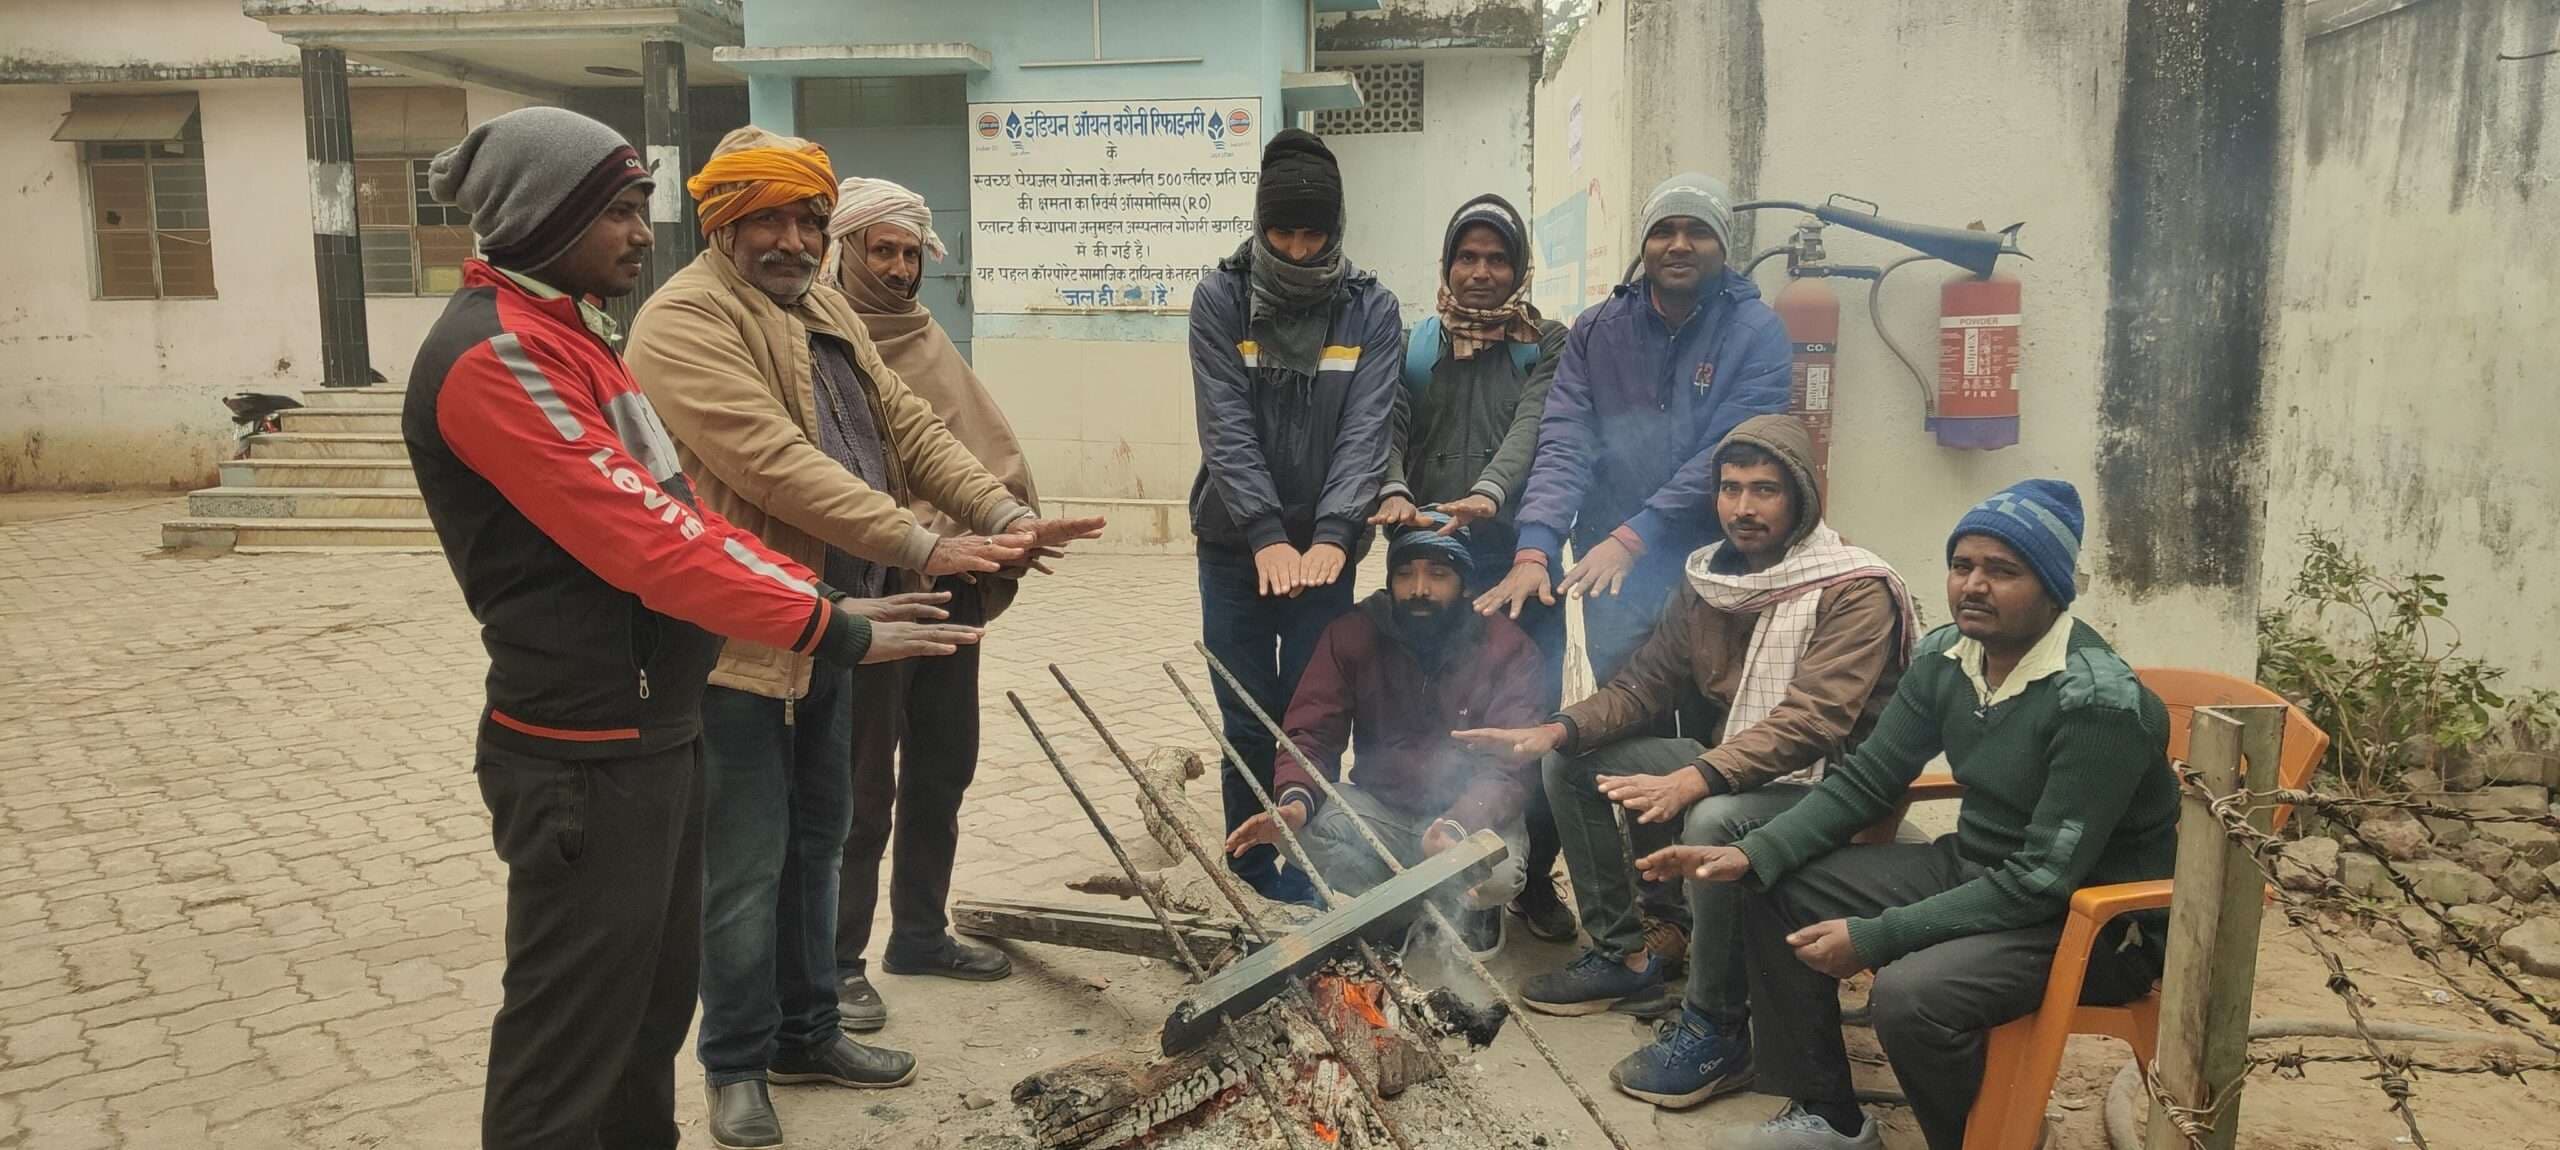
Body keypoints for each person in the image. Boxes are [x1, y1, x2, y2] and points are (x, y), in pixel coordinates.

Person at [405, 107, 978, 1150]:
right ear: (548, 214)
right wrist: (829, 623)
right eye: (619, 209)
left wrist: (833, 609)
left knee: (644, 1014)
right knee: (571, 1037)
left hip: (649, 727)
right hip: (584, 747)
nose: (640, 230)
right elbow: (652, 539)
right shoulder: (501, 356)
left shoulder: (576, 335)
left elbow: (682, 513)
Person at [623, 127, 1102, 1150]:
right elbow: (775, 465)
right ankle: (736, 1063)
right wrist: (924, 541)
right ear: (723, 221)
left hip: (836, 627)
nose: (794, 239)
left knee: (817, 842)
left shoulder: (820, 306)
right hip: (737, 639)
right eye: (773, 219)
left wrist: (999, 518)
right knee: (743, 868)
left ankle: (808, 1030)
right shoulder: (682, 322)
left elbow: (913, 429)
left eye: (807, 219)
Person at [1644, 479, 2176, 1150]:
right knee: (1777, 887)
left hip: (2093, 918)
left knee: (1913, 995)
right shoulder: (1948, 657)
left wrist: (1879, 935)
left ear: (2052, 588)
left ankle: (1985, 1138)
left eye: (2003, 571)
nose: (1974, 586)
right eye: (1963, 566)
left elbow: (2043, 878)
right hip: (1979, 871)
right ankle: (1828, 1113)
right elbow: (1868, 780)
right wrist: (1754, 852)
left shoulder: (2098, 702)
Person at [1457, 414, 1916, 1108]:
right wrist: (1559, 728)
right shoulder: (1710, 580)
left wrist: (1695, 776)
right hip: (1741, 764)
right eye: (1730, 488)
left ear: (1801, 498)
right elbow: (1644, 685)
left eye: (1765, 490)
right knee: (1574, 766)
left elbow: (1813, 722)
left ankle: (1717, 1030)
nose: (1743, 507)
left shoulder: (1854, 586)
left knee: (1713, 818)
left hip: (1834, 789)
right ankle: (1624, 954)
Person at [820, 175, 1046, 1030]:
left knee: (944, 764)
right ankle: (838, 963)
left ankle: (919, 930)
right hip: (869, 594)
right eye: (882, 250)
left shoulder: (927, 340)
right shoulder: (817, 342)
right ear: (845, 250)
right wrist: (906, 531)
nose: (900, 269)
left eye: (912, 253)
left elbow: (980, 452)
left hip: (952, 589)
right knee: (860, 784)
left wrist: (999, 526)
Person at [1189, 127, 1400, 903]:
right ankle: (1250, 873)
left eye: (1315, 233)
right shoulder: (1219, 298)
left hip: (1326, 558)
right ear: (1258, 222)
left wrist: (1337, 533)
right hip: (1234, 543)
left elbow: (1366, 428)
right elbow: (1225, 424)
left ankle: (1310, 865)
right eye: (1283, 230)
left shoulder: (1371, 309)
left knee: (1312, 718)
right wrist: (1266, 534)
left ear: (1337, 229)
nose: (1299, 248)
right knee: (1248, 714)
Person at [1478, 171, 1793, 686]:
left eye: (1699, 231)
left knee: (1711, 719)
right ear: (1645, 243)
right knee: (1620, 711)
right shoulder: (1598, 331)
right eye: (1664, 231)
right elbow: (1564, 442)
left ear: (1724, 246)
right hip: (1611, 574)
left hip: (1718, 562)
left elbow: (1730, 451)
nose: (1679, 245)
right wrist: (1535, 546)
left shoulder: (1758, 334)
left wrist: (1634, 537)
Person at [1367, 192, 1577, 943]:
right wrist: (1393, 486)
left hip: (1520, 563)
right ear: (1448, 264)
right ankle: (1444, 879)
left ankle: (1526, 879)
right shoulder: (1416, 342)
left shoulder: (1546, 343)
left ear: (1519, 268)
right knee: (1425, 718)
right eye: (1468, 256)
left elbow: (1536, 430)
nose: (1481, 273)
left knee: (1528, 726)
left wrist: (1490, 494)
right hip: (1430, 566)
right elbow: (1383, 423)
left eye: (1498, 259)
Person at [1223, 516, 1548, 953]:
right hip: (1385, 811)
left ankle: (1472, 909)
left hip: (1467, 817)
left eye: (1438, 575)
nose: (1419, 589)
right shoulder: (1354, 632)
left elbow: (1511, 766)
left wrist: (1457, 824)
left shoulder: (1506, 647)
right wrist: (1295, 802)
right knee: (1299, 829)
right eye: (1405, 574)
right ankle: (1404, 912)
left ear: (1465, 585)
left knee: (1501, 873)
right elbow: (1311, 730)